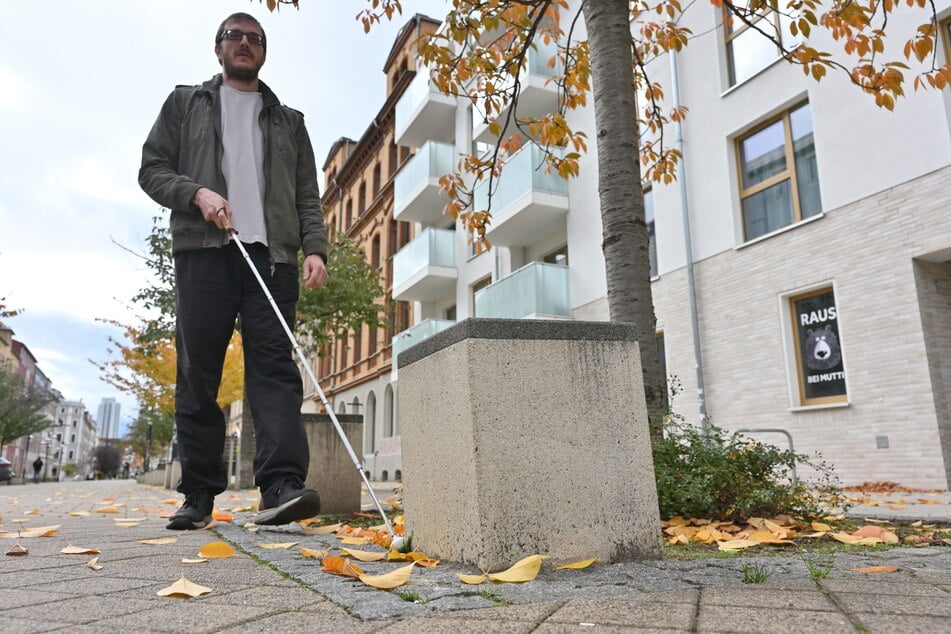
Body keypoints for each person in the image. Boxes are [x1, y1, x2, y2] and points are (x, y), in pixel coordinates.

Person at [139, 12, 329, 530]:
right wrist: (195, 193)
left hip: (273, 259)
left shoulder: (290, 121)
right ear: (218, 47)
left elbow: (307, 195)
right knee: (197, 371)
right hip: (205, 250)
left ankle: (281, 486)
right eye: (235, 36)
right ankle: (198, 493)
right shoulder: (186, 103)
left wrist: (316, 248)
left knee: (275, 373)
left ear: (264, 52)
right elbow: (151, 169)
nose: (245, 43)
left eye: (255, 38)